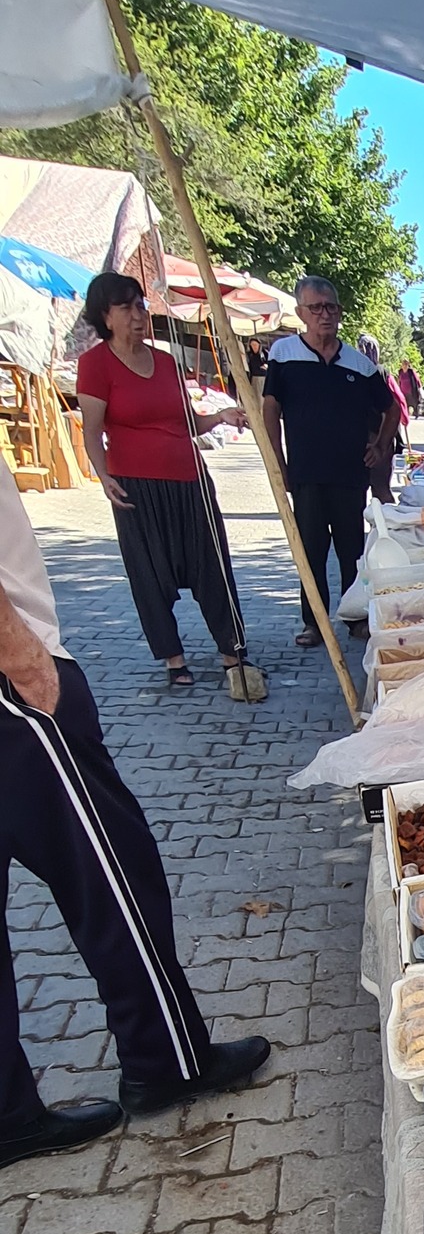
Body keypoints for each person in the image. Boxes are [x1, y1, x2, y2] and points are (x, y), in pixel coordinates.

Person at [0, 457, 270, 1169]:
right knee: (112, 876)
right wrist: (21, 656)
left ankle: (5, 1112)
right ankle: (165, 1061)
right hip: (11, 688)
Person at [76, 273, 251, 690]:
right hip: (138, 486)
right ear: (106, 316)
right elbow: (92, 431)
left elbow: (187, 421)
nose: (140, 315)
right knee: (151, 573)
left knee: (212, 564)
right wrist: (103, 477)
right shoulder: (95, 365)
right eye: (128, 307)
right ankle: (174, 658)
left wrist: (220, 417)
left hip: (190, 479)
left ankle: (232, 649)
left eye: (141, 305)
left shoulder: (167, 361)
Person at [262, 275, 398, 648]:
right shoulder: (285, 355)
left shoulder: (358, 364)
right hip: (305, 470)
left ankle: (355, 615)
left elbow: (391, 409)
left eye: (331, 307)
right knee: (310, 550)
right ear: (301, 312)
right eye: (316, 308)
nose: (325, 315)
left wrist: (381, 447)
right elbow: (270, 409)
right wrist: (277, 461)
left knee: (352, 550)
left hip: (350, 472)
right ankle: (315, 621)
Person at [355, 333, 411, 504]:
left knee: (377, 487)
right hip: (377, 435)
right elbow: (400, 400)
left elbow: (396, 402)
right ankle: (383, 525)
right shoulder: (378, 372)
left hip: (377, 435)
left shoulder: (374, 372)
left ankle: (386, 526)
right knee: (378, 487)